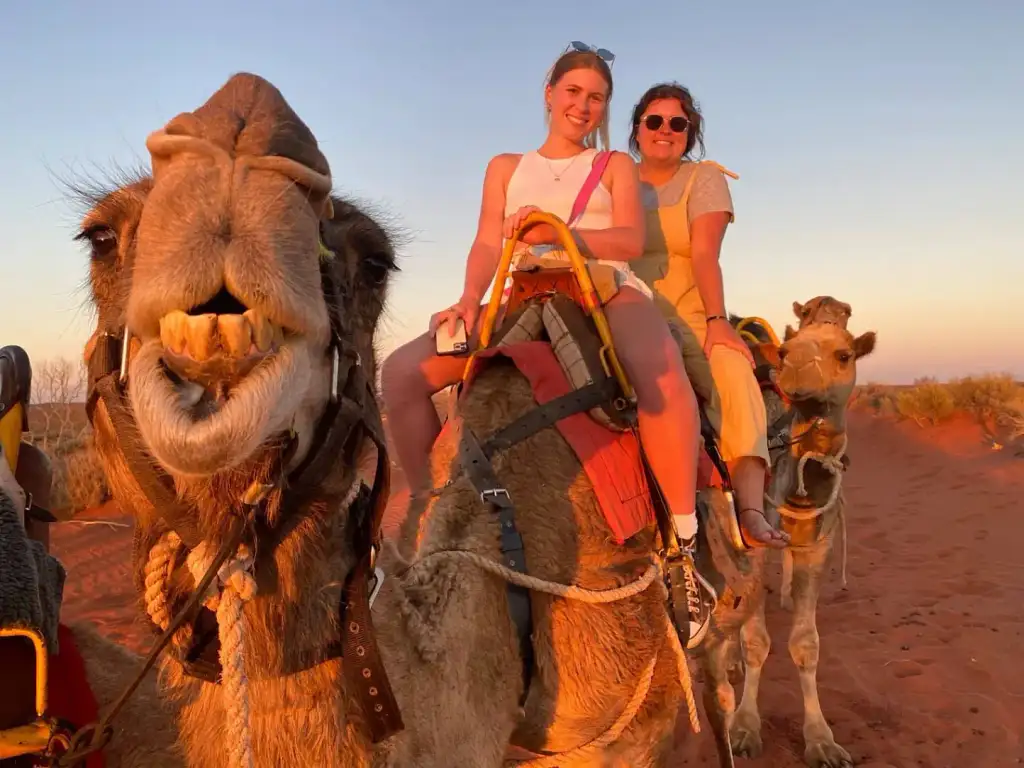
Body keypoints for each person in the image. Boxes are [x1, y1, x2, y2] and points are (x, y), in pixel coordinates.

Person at [380, 44, 719, 646]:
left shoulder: (614, 164)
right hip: (522, 290)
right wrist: (466, 297)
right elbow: (488, 241)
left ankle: (684, 553)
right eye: (573, 93)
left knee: (661, 377)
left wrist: (554, 229)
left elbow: (628, 239)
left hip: (604, 290)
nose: (583, 106)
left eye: (596, 98)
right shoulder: (507, 167)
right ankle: (431, 506)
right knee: (402, 373)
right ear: (549, 93)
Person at [628, 81, 789, 549]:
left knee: (733, 372)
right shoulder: (614, 176)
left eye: (678, 123)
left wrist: (718, 322)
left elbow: (703, 254)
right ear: (637, 129)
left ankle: (750, 508)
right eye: (654, 121)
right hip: (619, 306)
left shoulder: (704, 179)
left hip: (689, 314)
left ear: (690, 133)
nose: (665, 130)